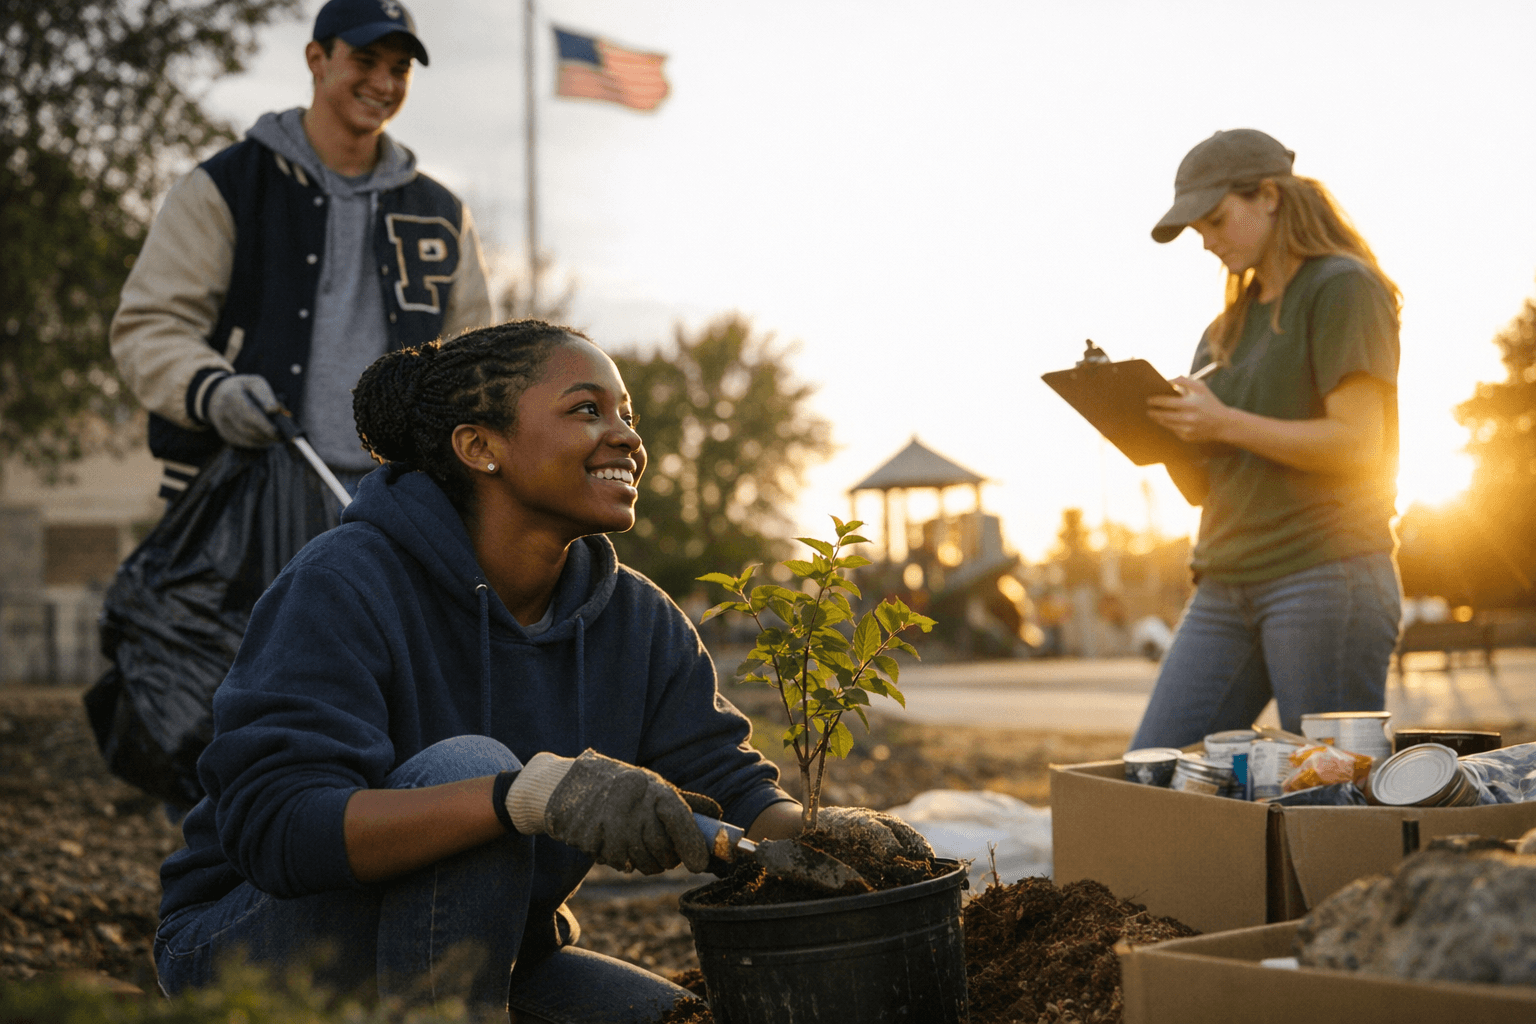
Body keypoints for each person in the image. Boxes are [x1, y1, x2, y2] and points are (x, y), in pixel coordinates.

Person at [152, 320, 924, 1023]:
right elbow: (281, 831)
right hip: (261, 948)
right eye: (588, 410)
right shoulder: (345, 583)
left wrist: (829, 834)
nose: (625, 437)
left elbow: (738, 791)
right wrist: (519, 798)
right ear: (480, 447)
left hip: (493, 954)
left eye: (628, 416)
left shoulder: (638, 622)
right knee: (473, 765)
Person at [110, 0, 493, 503]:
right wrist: (214, 391)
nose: (384, 83)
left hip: (401, 502)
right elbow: (148, 326)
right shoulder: (225, 187)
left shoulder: (442, 213)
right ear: (317, 59)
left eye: (400, 69)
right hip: (243, 494)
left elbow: (478, 361)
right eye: (365, 60)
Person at [1128, 129, 1403, 751]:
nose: (1209, 242)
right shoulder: (1222, 331)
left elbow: (1358, 445)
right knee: (1156, 769)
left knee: (1325, 791)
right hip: (1224, 581)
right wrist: (1167, 436)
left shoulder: (1342, 287)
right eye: (1199, 231)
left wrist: (1224, 422)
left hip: (1324, 574)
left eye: (1217, 220)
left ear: (1270, 197)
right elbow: (1205, 490)